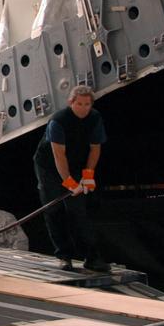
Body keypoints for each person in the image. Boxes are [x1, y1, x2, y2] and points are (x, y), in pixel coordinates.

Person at [33, 84, 110, 273]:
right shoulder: (58, 121)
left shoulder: (94, 118)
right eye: (80, 104)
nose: (83, 108)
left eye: (87, 104)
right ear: (70, 102)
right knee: (54, 210)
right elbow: (59, 156)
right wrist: (69, 183)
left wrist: (88, 175)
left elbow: (95, 148)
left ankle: (91, 257)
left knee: (78, 212)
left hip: (76, 163)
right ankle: (64, 256)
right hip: (49, 167)